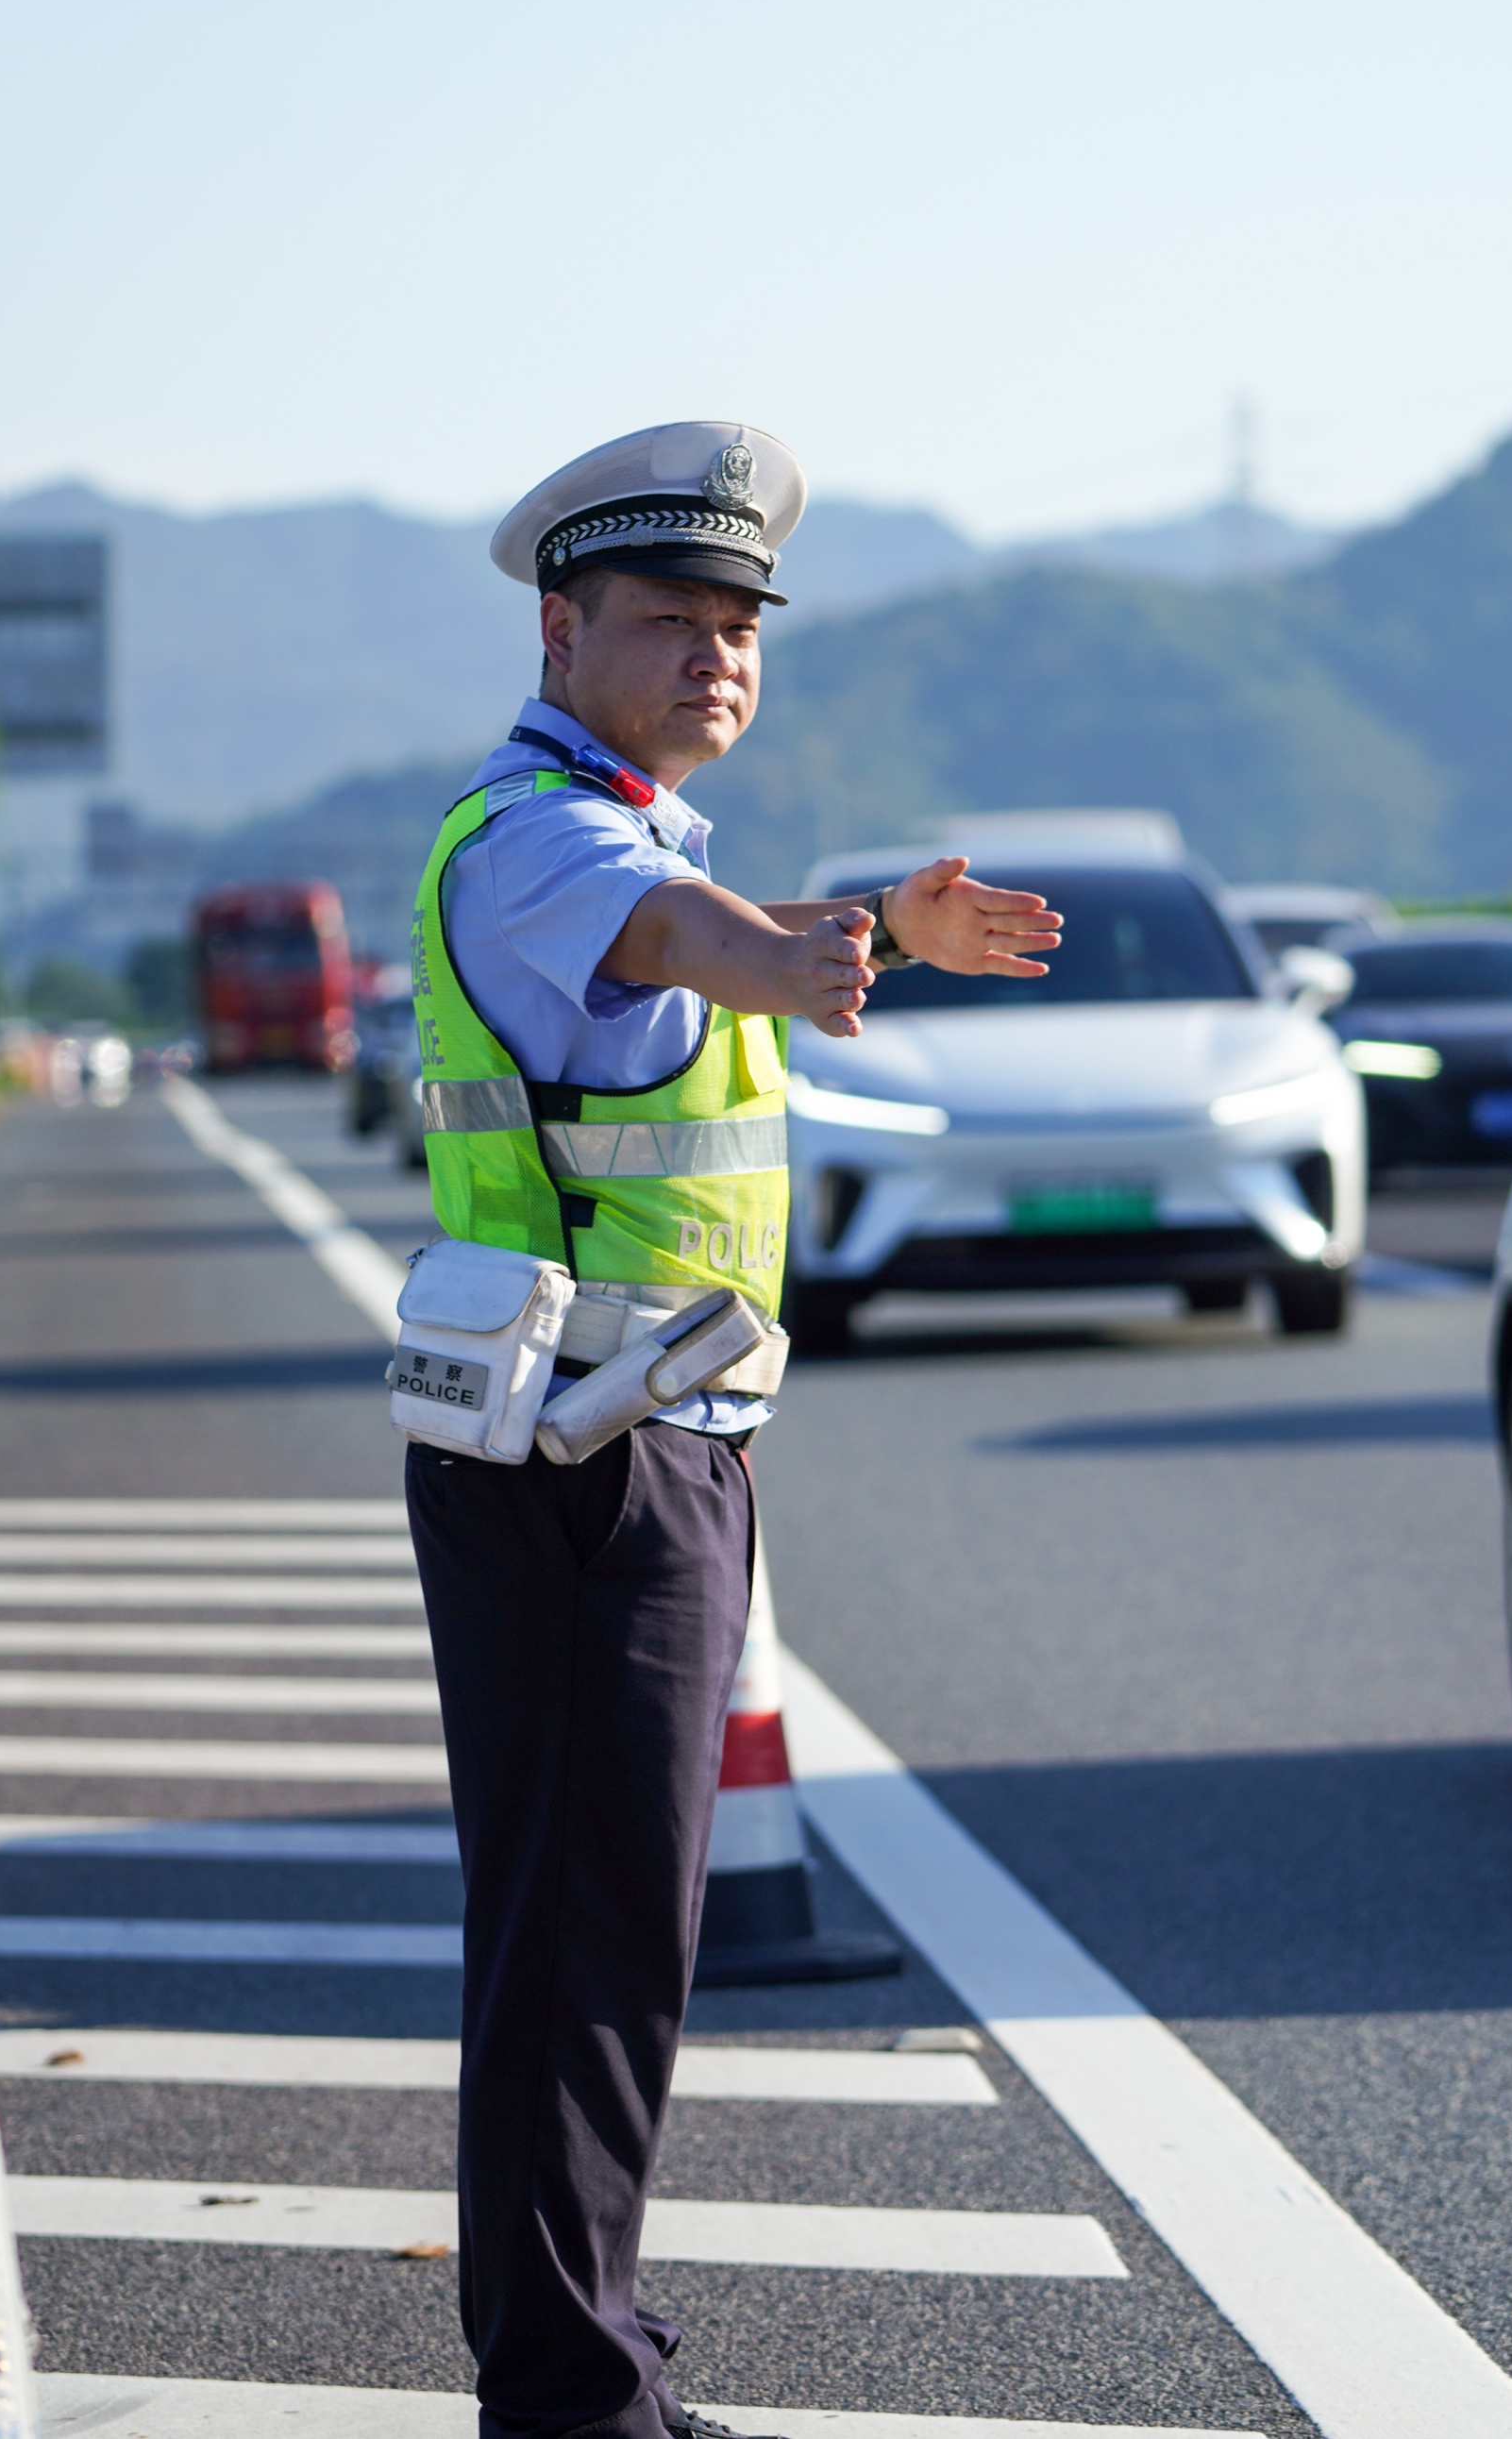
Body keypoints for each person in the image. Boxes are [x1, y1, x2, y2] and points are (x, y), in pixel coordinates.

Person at [402, 421, 1060, 2439]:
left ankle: (581, 2352)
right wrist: (792, 953)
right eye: (668, 621)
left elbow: (697, 925)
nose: (714, 655)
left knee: (599, 1918)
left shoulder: (614, 831)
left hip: (619, 1438)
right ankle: (568, 2393)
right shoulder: (541, 840)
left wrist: (850, 924)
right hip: (589, 1454)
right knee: (591, 1926)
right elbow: (684, 945)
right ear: (559, 627)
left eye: (738, 627)